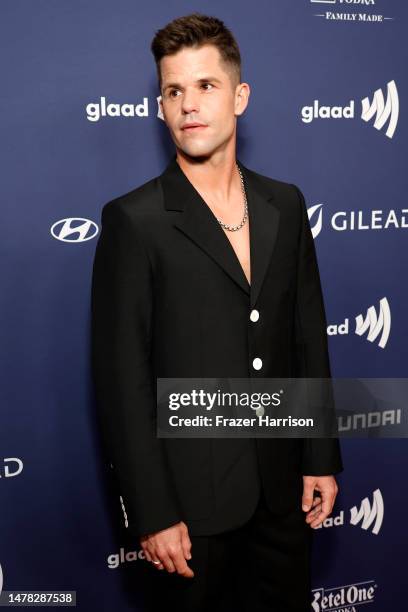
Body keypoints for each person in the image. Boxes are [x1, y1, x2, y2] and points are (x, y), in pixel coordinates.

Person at [91, 12, 344, 611]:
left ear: (240, 96)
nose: (189, 105)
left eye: (206, 86)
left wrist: (319, 457)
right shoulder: (134, 220)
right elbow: (122, 381)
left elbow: (307, 337)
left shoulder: (284, 203)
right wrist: (153, 513)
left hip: (283, 498)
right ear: (160, 107)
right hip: (189, 515)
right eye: (174, 91)